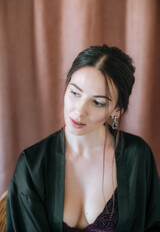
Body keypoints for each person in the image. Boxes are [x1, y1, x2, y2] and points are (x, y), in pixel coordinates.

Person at [6, 45, 160, 232]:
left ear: (116, 110)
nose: (79, 111)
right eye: (75, 93)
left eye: (97, 102)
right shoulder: (31, 165)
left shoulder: (137, 155)